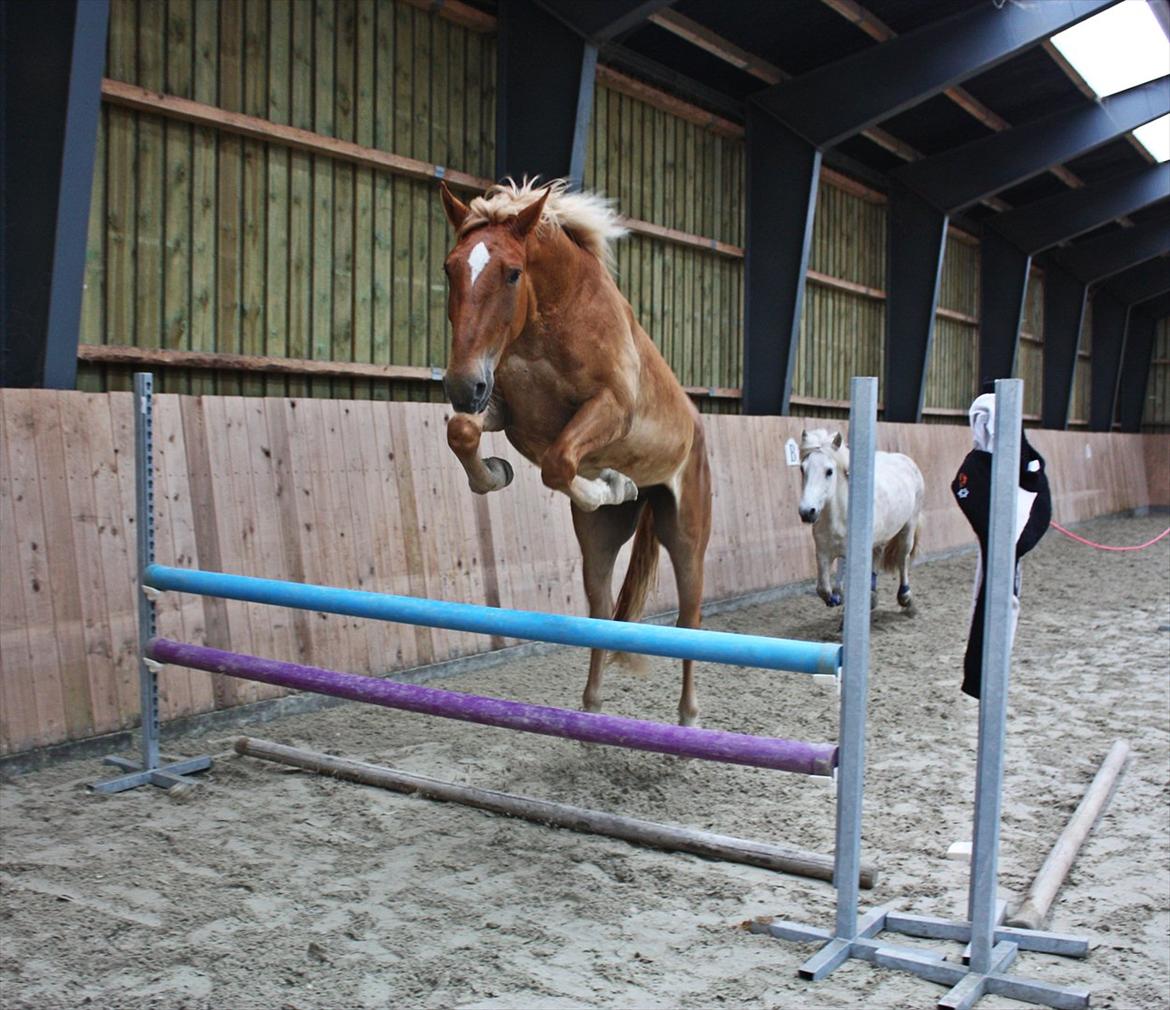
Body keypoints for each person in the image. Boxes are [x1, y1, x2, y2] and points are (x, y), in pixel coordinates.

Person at [951, 391, 1052, 698]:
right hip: (995, 554)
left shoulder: (1025, 464)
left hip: (1004, 558)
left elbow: (1036, 504)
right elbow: (963, 488)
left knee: (1000, 608)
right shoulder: (977, 466)